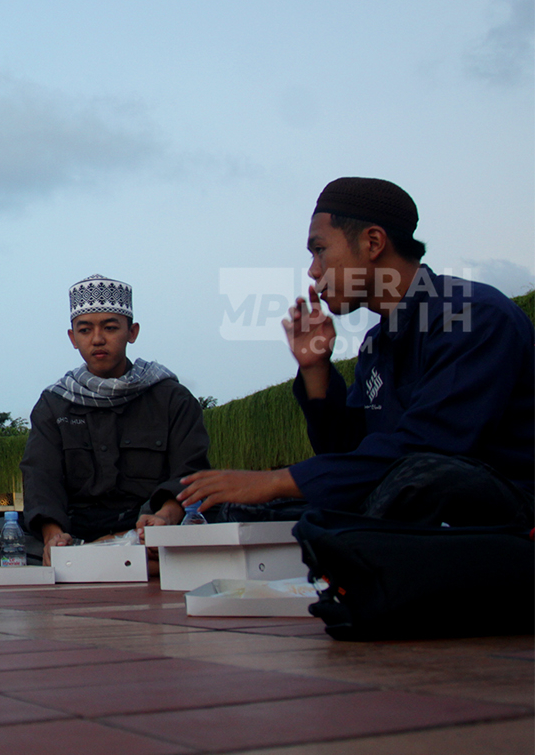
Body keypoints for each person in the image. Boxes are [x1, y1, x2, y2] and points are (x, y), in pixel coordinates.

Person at [180, 177, 534, 527]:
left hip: (505, 519)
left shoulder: (471, 315)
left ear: (373, 242)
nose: (313, 271)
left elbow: (428, 450)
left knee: (419, 476)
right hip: (412, 507)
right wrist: (316, 369)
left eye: (320, 250)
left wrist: (274, 480)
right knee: (238, 512)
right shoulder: (376, 343)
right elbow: (350, 456)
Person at [0, 275, 210, 567]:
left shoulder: (171, 398)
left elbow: (190, 472)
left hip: (148, 524)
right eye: (85, 329)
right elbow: (41, 476)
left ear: (132, 332)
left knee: (232, 513)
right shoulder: (54, 404)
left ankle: (99, 557)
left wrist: (165, 518)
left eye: (110, 327)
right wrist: (54, 536)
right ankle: (121, 557)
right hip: (76, 528)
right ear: (72, 337)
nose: (98, 339)